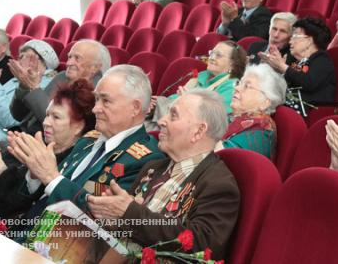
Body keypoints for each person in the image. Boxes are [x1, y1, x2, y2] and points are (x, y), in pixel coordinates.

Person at [88, 89, 239, 261]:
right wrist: (112, 217)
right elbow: (131, 226)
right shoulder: (152, 167)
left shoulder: (218, 184)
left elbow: (200, 244)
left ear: (198, 131)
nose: (161, 121)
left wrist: (129, 212)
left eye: (173, 116)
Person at [8, 65, 163, 216]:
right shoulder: (88, 139)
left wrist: (51, 177)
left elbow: (100, 217)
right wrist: (36, 175)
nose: (95, 109)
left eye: (106, 101)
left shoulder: (147, 160)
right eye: (96, 99)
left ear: (135, 107)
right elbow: (44, 194)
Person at [0, 79, 95, 219]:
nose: (46, 122)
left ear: (78, 127)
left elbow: (19, 209)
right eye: (47, 115)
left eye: (56, 117)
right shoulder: (32, 142)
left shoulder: (72, 168)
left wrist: (2, 173)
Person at [9, 39, 108, 135]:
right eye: (69, 57)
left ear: (95, 67)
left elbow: (58, 124)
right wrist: (24, 86)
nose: (69, 63)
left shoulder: (97, 90)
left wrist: (34, 87)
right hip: (23, 135)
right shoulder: (62, 76)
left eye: (77, 58)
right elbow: (18, 115)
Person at [0, 40, 58, 143]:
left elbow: (12, 120)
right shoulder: (15, 80)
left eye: (22, 57)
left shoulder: (46, 84)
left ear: (36, 59)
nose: (17, 62)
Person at [259, 16, 336, 105]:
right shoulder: (297, 62)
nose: (290, 42)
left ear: (309, 41)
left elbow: (308, 82)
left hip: (310, 113)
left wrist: (283, 67)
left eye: (295, 36)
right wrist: (277, 71)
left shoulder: (322, 60)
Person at [216, 64, 286, 158]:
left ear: (265, 102)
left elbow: (219, 156)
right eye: (239, 83)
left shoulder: (260, 130)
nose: (236, 88)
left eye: (247, 86)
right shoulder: (233, 116)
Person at [158, 41, 246, 116]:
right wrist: (157, 102)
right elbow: (176, 97)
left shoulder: (232, 86)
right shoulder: (201, 75)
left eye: (218, 55)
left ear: (232, 64)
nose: (211, 58)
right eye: (212, 53)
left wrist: (186, 100)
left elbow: (212, 117)